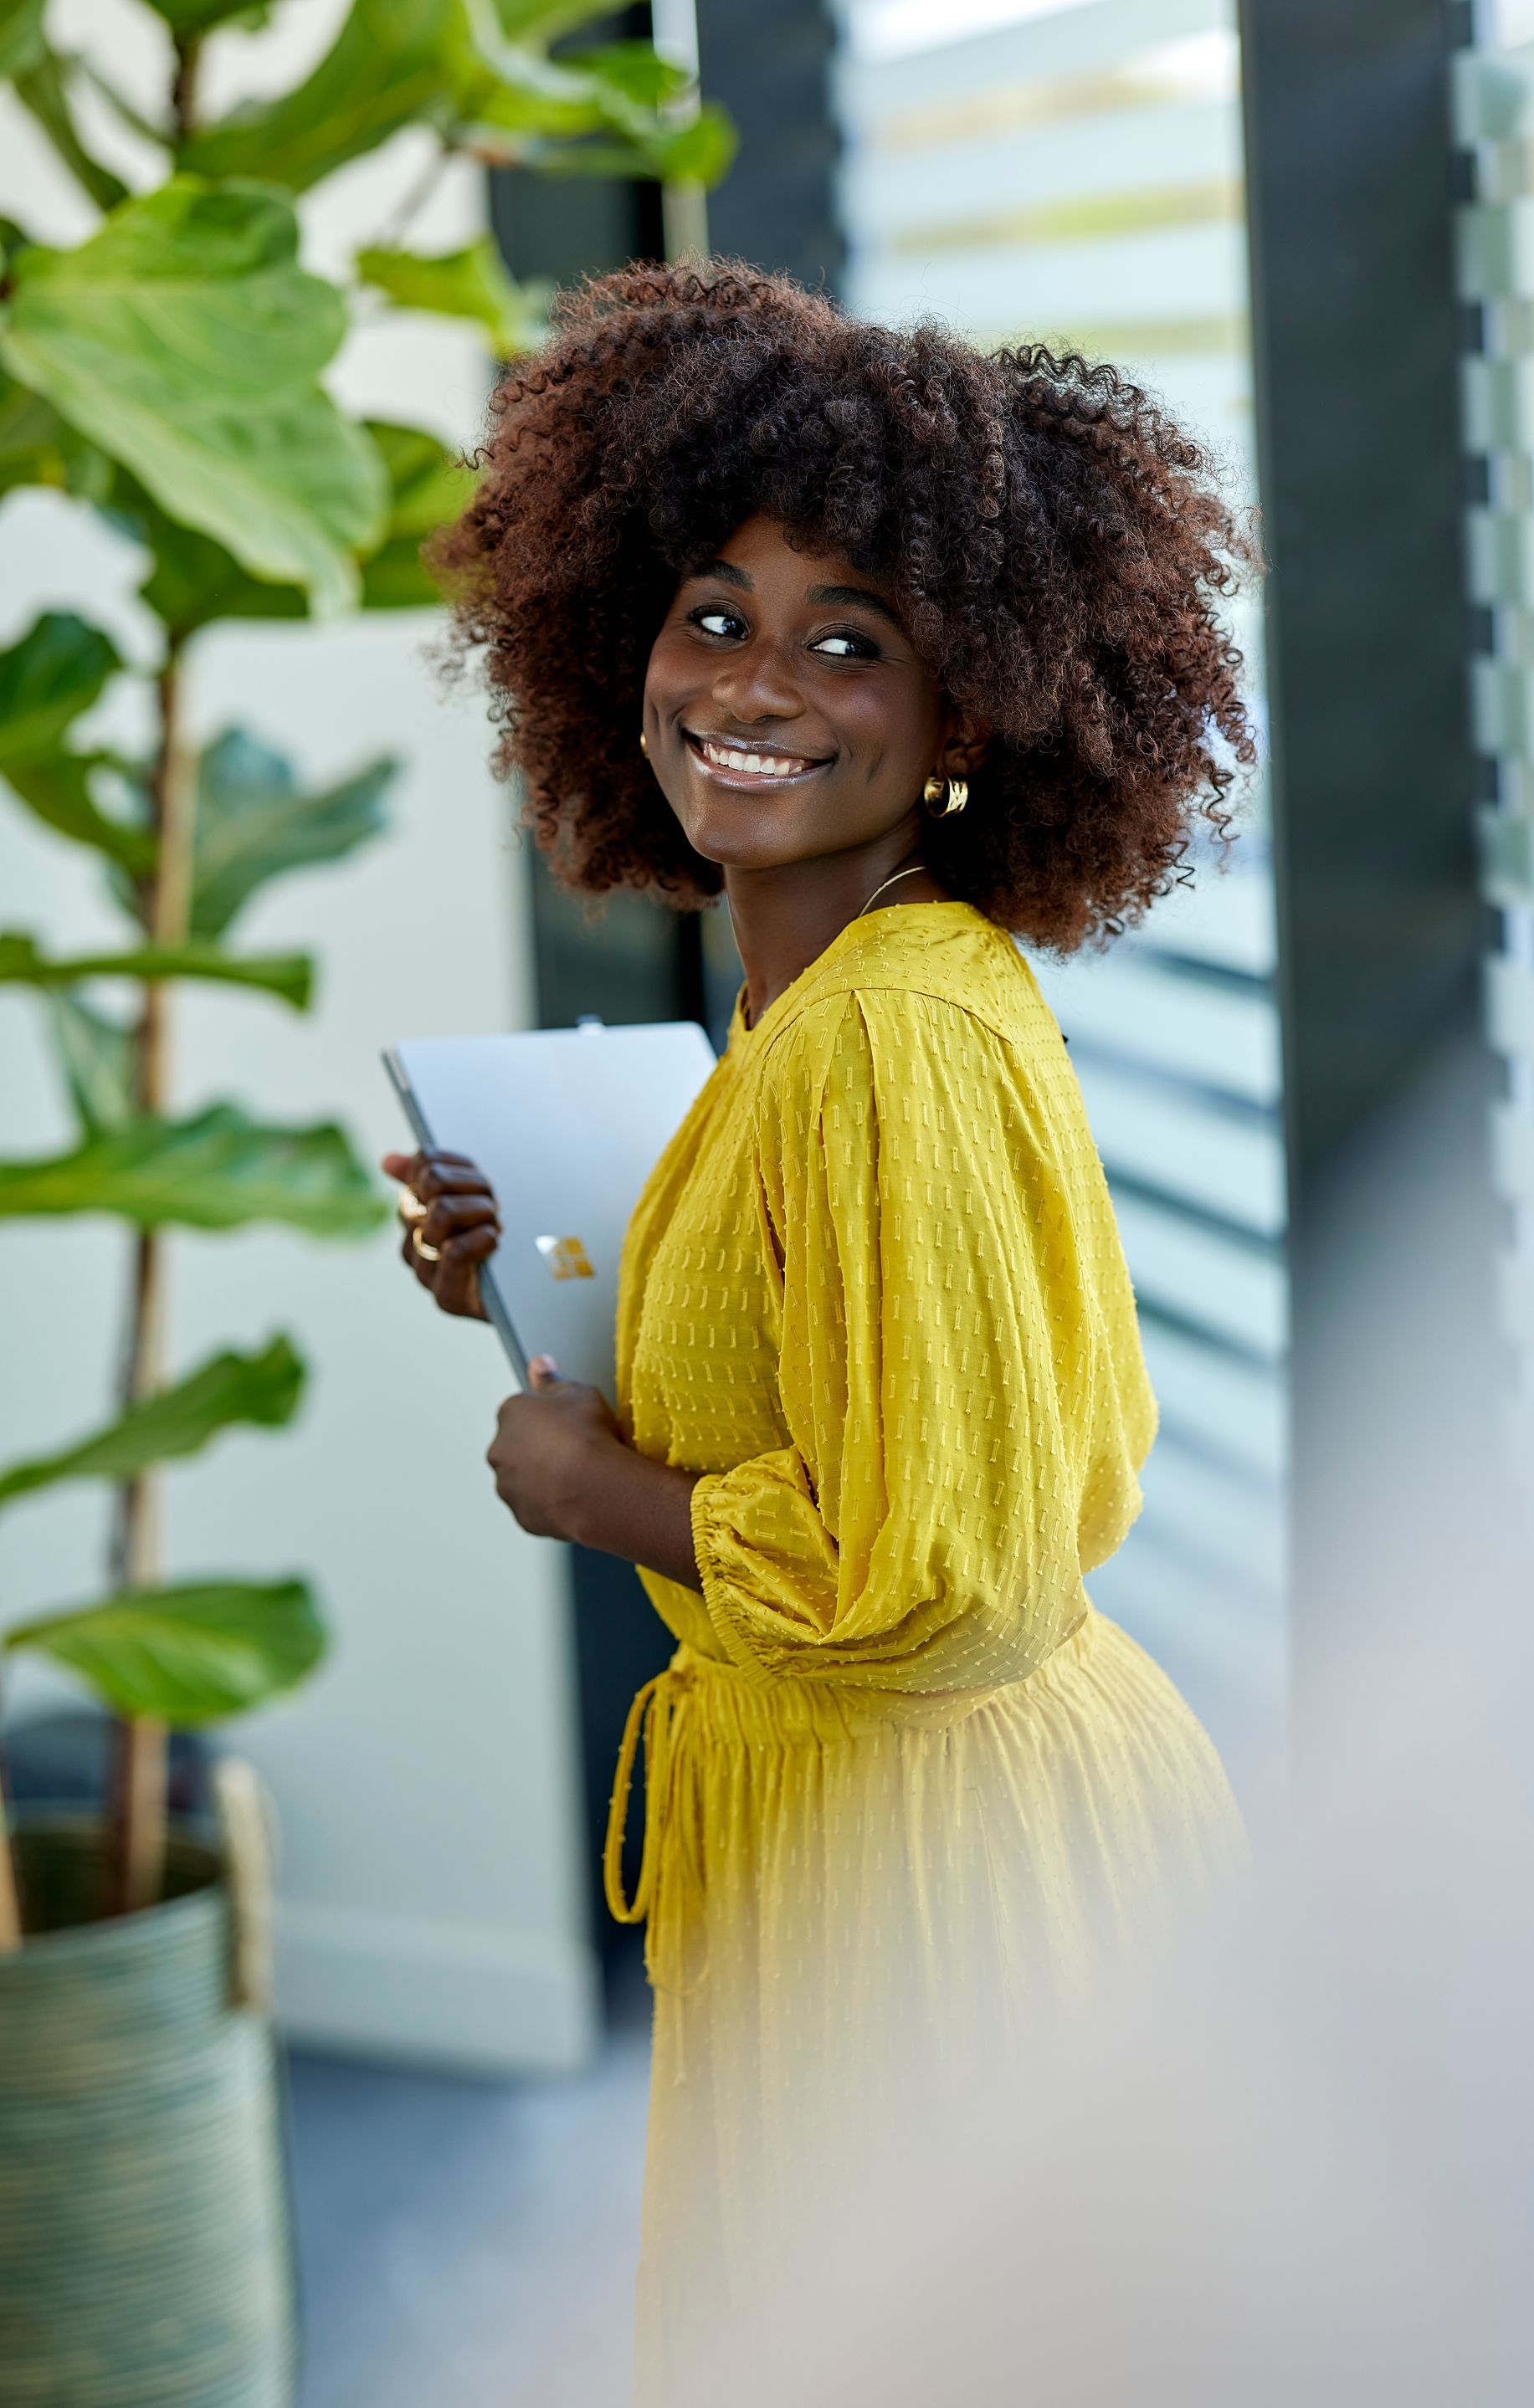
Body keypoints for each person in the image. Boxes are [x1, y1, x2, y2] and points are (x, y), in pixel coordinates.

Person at [382, 261, 1255, 2401]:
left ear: (970, 719)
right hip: (864, 1840)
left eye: (850, 638)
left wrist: (592, 1484)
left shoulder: (886, 1041)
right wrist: (559, 1267)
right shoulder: (825, 1000)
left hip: (931, 1884)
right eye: (714, 613)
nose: (754, 683)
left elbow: (938, 1574)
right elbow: (825, 1348)